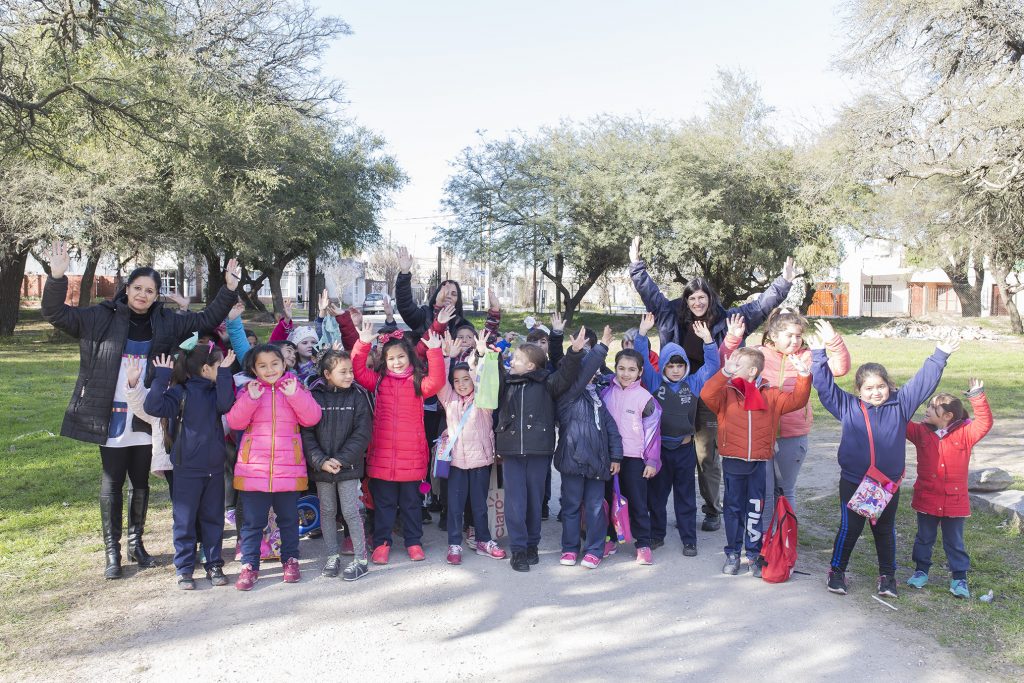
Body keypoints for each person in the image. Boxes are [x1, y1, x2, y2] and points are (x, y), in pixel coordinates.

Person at [41, 241, 240, 579]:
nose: (143, 295)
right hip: (110, 414)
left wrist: (229, 289)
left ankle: (136, 544)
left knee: (141, 481)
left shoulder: (166, 322)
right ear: (127, 289)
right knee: (112, 481)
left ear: (156, 295)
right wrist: (58, 277)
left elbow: (207, 319)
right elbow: (56, 314)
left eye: (150, 290)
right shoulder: (101, 317)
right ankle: (112, 552)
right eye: (138, 288)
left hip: (148, 413)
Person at [628, 236, 801, 533]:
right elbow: (650, 294)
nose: (696, 303)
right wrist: (636, 266)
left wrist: (783, 282)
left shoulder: (729, 318)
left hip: (712, 396)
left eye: (702, 298)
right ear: (686, 300)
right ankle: (659, 513)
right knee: (666, 451)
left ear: (710, 298)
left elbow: (762, 305)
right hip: (675, 395)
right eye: (691, 298)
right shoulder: (671, 314)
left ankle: (712, 509)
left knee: (707, 457)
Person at [812, 336, 959, 597]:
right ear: (859, 390)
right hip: (854, 482)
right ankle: (836, 571)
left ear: (888, 386)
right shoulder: (847, 406)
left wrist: (940, 355)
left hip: (887, 483)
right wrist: (817, 355)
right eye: (869, 388)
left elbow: (922, 383)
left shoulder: (900, 404)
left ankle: (887, 577)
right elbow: (825, 387)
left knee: (884, 530)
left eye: (880, 386)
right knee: (850, 528)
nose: (876, 392)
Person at [720, 310, 851, 516]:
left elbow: (840, 368)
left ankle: (785, 542)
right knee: (764, 492)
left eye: (798, 335)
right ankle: (765, 541)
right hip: (760, 434)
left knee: (785, 490)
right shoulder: (757, 353)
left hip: (792, 436)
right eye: (789, 335)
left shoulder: (807, 357)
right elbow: (727, 363)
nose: (795, 340)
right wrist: (733, 338)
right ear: (773, 335)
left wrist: (833, 342)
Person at [701, 347, 811, 576]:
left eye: (736, 365)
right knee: (732, 509)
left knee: (754, 509)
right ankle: (732, 553)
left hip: (760, 462)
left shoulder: (770, 393)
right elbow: (706, 394)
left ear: (752, 370)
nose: (732, 368)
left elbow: (797, 401)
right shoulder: (726, 391)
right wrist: (724, 372)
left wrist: (803, 376)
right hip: (733, 462)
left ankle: (753, 554)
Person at [225, 344, 323, 591]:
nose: (270, 370)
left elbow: (312, 417)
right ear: (254, 369)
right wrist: (251, 399)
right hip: (254, 469)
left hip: (288, 469)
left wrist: (294, 395)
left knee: (289, 520)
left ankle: (290, 560)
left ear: (284, 364)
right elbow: (235, 420)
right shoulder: (249, 390)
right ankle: (250, 565)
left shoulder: (296, 387)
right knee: (252, 522)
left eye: (274, 364)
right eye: (262, 366)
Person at [351, 323, 445, 564]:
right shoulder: (379, 382)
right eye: (391, 358)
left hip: (411, 458)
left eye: (401, 356)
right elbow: (358, 371)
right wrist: (362, 344)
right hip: (381, 458)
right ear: (384, 360)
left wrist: (434, 351)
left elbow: (436, 382)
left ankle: (414, 542)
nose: (396, 362)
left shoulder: (417, 382)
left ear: (410, 357)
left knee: (411, 505)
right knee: (384, 505)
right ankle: (382, 543)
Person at [144, 346, 237, 589]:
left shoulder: (217, 391)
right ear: (206, 369)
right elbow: (153, 406)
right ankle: (184, 569)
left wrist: (225, 374)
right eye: (219, 367)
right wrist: (161, 377)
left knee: (213, 519)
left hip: (214, 467)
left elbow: (227, 404)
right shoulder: (181, 392)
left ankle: (214, 564)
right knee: (184, 520)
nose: (223, 370)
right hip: (186, 468)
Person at [496, 328, 586, 572]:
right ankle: (518, 549)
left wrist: (575, 352)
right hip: (512, 451)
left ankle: (532, 544)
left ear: (532, 367)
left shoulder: (548, 383)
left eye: (517, 359)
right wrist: (491, 353)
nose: (512, 361)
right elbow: (493, 374)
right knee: (515, 502)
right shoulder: (506, 382)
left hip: (538, 451)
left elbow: (566, 374)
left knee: (535, 501)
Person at [634, 314, 720, 556]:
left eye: (679, 365)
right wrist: (642, 334)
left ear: (686, 366)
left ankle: (689, 539)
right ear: (662, 366)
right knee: (657, 497)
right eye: (670, 366)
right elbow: (641, 357)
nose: (674, 370)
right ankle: (656, 535)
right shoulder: (653, 382)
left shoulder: (692, 383)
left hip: (684, 450)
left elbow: (712, 366)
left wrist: (708, 341)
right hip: (659, 452)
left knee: (685, 498)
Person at [906, 379, 992, 599]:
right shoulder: (920, 432)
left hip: (955, 502)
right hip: (926, 498)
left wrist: (977, 396)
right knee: (924, 538)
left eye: (933, 408)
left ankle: (959, 578)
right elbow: (899, 420)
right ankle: (921, 571)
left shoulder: (965, 434)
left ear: (948, 416)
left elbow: (984, 423)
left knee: (954, 541)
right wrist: (901, 396)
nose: (927, 410)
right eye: (928, 406)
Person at [301, 349, 373, 581]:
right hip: (322, 468)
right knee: (328, 511)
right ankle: (333, 556)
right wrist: (320, 461)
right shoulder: (313, 396)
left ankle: (361, 559)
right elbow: (306, 432)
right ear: (327, 374)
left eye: (351, 371)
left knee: (351, 512)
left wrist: (341, 460)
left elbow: (362, 433)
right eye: (343, 372)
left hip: (348, 467)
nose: (350, 375)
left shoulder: (358, 395)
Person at [555, 326, 623, 569]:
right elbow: (581, 374)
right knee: (571, 507)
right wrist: (601, 347)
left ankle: (594, 549)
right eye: (586, 371)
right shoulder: (568, 396)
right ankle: (570, 548)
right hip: (572, 462)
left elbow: (612, 430)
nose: (590, 375)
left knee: (595, 509)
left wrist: (615, 456)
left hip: (598, 464)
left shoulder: (598, 399)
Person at [437, 331, 506, 565]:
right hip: (456, 462)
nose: (461, 384)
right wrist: (447, 356)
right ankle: (454, 544)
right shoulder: (449, 399)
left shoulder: (483, 399)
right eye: (456, 381)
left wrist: (482, 353)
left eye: (466, 379)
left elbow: (484, 377)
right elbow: (439, 381)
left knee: (479, 505)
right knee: (455, 507)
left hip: (480, 463)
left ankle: (483, 541)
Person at [601, 349, 662, 565]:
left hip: (635, 459)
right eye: (621, 369)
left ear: (640, 371)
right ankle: (609, 538)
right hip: (609, 458)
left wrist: (652, 460)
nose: (626, 374)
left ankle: (643, 543)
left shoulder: (645, 399)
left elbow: (653, 433)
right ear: (615, 368)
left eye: (632, 369)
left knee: (637, 501)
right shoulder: (605, 393)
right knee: (607, 500)